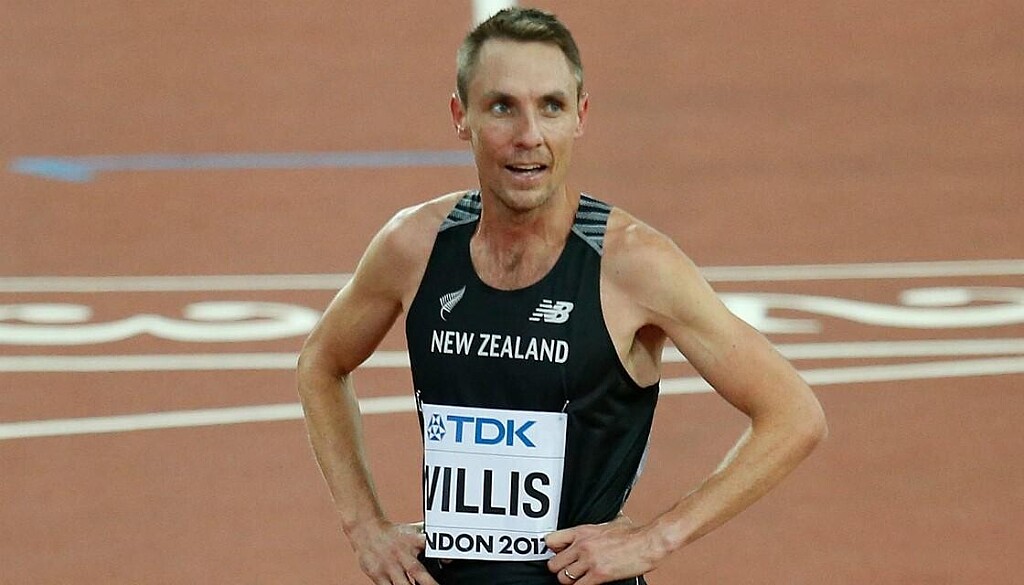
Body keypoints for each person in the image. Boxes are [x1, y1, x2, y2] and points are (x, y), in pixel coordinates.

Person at [297, 7, 827, 585]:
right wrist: (364, 527)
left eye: (551, 106)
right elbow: (321, 362)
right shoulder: (415, 247)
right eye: (503, 107)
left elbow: (793, 414)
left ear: (580, 116)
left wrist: (657, 538)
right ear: (461, 116)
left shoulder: (632, 264)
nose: (529, 136)